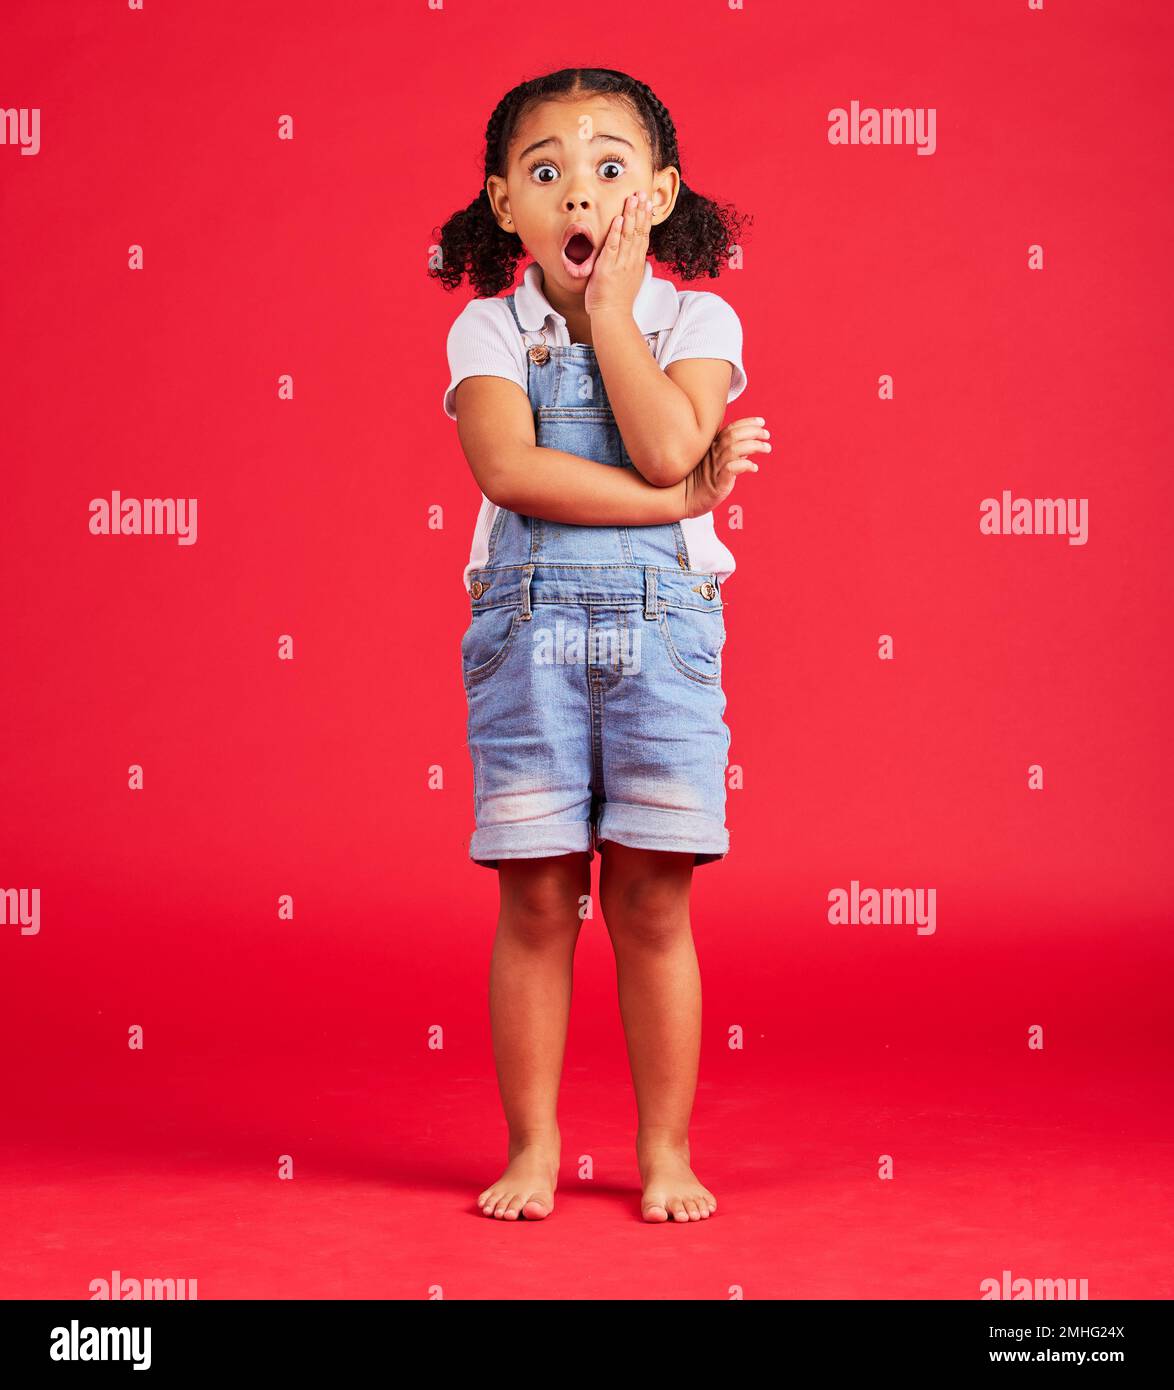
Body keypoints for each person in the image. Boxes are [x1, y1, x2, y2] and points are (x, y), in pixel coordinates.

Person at [431, 66, 770, 1223]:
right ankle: (533, 1146)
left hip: (666, 644)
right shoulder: (487, 326)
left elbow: (673, 441)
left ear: (661, 194)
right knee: (534, 900)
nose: (580, 191)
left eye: (610, 167)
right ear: (503, 202)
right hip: (526, 638)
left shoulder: (696, 319)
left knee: (651, 899)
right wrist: (676, 506)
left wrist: (614, 317)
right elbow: (510, 471)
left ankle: (662, 1151)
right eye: (547, 170)